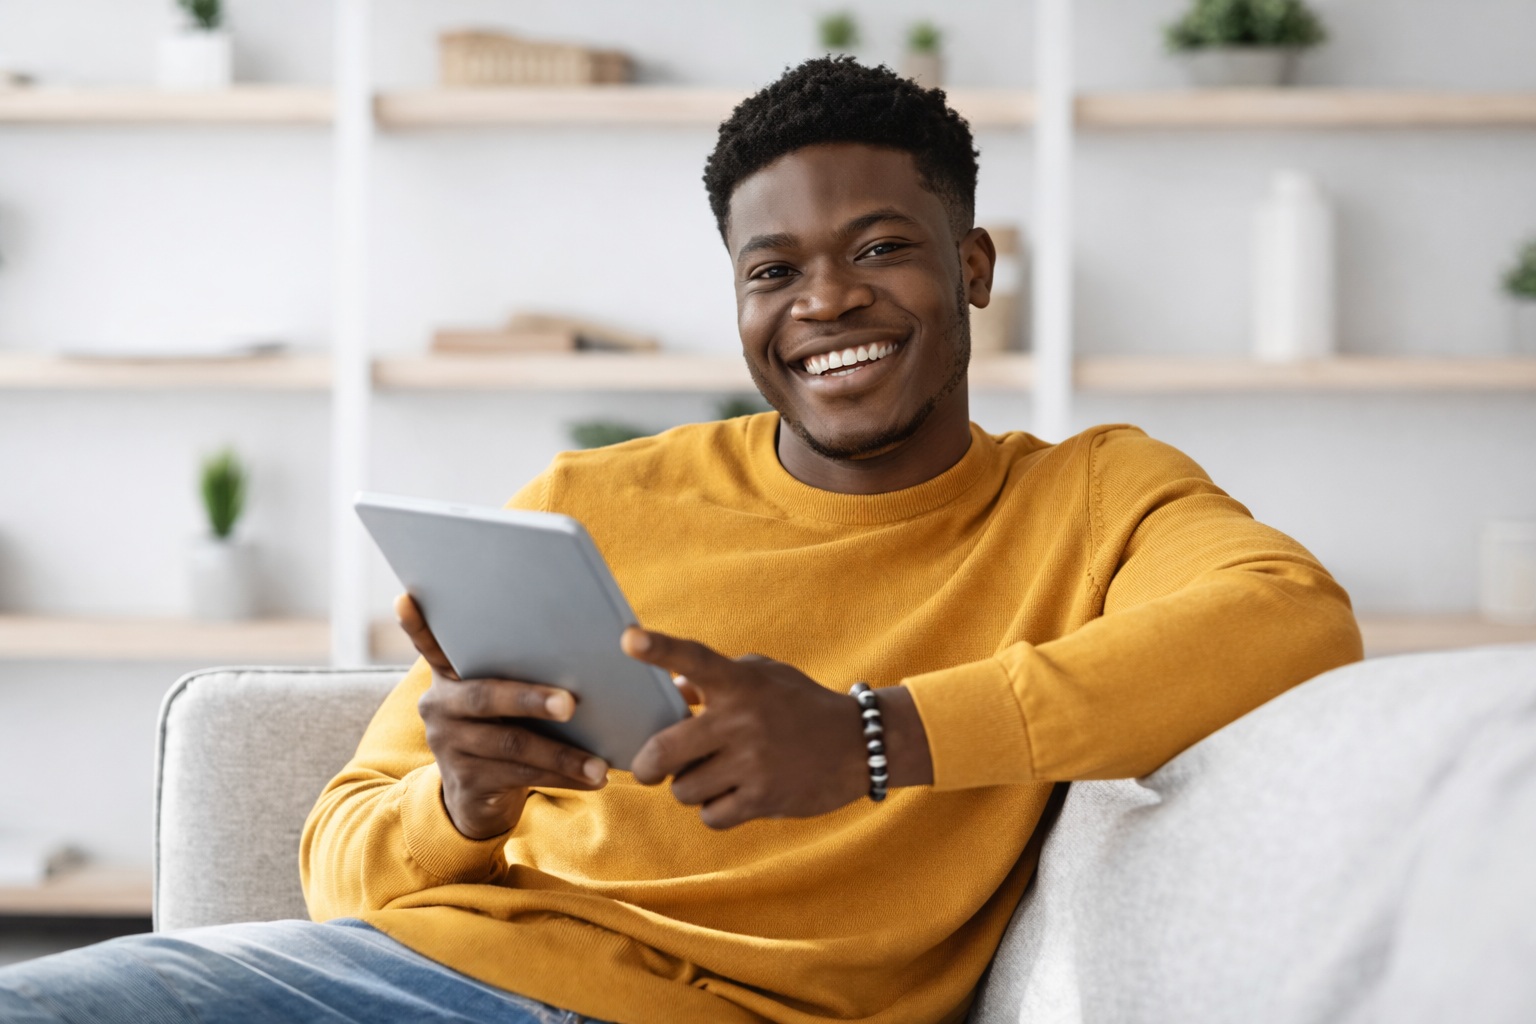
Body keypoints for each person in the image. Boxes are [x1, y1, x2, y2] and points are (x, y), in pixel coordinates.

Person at [0, 58, 1362, 1024]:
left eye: (881, 248)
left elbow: (1293, 623)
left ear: (973, 267)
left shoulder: (1090, 498)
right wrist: (464, 805)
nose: (826, 301)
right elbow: (339, 864)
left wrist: (870, 738)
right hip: (425, 979)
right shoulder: (590, 500)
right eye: (773, 271)